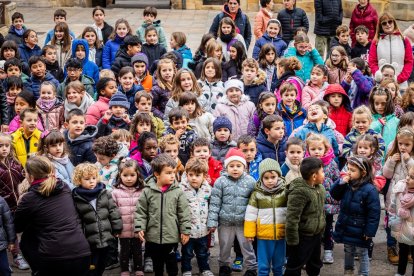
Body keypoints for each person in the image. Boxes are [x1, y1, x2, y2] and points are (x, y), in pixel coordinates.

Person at [14, 156, 91, 275]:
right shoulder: (64, 187)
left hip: (54, 257)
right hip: (81, 251)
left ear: (30, 176)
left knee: (27, 238)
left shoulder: (29, 198)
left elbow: (18, 226)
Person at [135, 154, 191, 276]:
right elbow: (141, 211)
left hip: (171, 236)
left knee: (172, 264)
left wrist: (185, 230)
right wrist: (140, 227)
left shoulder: (178, 191)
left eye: (174, 172)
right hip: (152, 236)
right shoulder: (147, 191)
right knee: (157, 265)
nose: (172, 176)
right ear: (157, 174)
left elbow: (184, 213)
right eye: (168, 173)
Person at [207, 148, 257, 276]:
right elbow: (215, 203)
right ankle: (224, 266)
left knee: (247, 246)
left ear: (244, 167)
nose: (235, 169)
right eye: (232, 166)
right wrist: (212, 222)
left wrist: (255, 221)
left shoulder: (250, 182)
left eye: (238, 166)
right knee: (224, 246)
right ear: (226, 167)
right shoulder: (220, 181)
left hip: (243, 222)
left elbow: (254, 202)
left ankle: (251, 268)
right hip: (225, 222)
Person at [331, 156, 381, 276]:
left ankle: (363, 273)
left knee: (362, 252)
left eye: (352, 170)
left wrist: (369, 232)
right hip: (346, 225)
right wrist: (341, 182)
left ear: (363, 173)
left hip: (361, 229)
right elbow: (335, 195)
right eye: (348, 169)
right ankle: (348, 270)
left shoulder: (370, 190)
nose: (349, 172)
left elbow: (374, 213)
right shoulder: (347, 184)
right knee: (348, 249)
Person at [72, 162, 123, 276]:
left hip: (105, 236)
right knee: (91, 266)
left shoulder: (104, 192)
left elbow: (113, 211)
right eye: (87, 179)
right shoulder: (76, 197)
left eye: (94, 178)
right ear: (79, 180)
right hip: (89, 240)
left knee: (102, 263)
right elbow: (77, 219)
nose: (91, 181)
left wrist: (117, 228)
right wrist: (79, 237)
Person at [244, 158, 287, 276]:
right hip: (263, 235)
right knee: (263, 265)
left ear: (278, 175)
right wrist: (249, 233)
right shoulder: (257, 194)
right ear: (261, 178)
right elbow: (250, 214)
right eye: (266, 178)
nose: (270, 181)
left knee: (279, 264)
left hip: (281, 234)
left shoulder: (285, 192)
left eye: (273, 177)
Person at [285, 157, 325, 276]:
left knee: (315, 263)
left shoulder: (320, 188)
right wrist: (292, 240)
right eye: (322, 172)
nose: (324, 174)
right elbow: (292, 218)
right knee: (295, 264)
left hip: (316, 234)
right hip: (303, 236)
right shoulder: (299, 192)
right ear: (314, 176)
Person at [180, 158, 214, 276]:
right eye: (191, 175)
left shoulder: (208, 190)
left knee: (202, 253)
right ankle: (186, 270)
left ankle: (205, 269)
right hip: (188, 231)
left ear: (204, 176)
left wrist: (212, 223)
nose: (193, 178)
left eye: (197, 175)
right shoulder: (181, 190)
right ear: (186, 174)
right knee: (187, 253)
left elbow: (212, 208)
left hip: (203, 230)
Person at [111, 158, 145, 276]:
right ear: (120, 175)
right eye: (125, 175)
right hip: (123, 229)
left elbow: (146, 209)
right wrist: (115, 228)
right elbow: (113, 212)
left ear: (137, 174)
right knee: (124, 251)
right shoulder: (115, 192)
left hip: (138, 229)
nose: (129, 178)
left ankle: (139, 268)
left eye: (132, 175)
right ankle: (124, 269)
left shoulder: (142, 191)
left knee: (138, 251)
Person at [369, 12, 414, 90]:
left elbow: (409, 62)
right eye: (384, 23)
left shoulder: (404, 40)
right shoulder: (376, 42)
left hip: (400, 85)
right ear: (380, 26)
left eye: (390, 21)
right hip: (381, 84)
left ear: (394, 23)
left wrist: (399, 79)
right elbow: (372, 61)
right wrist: (378, 75)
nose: (388, 24)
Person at [388, 165, 414, 276]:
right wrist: (392, 218)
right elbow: (393, 205)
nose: (407, 178)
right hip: (402, 227)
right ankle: (400, 272)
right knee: (402, 250)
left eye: (412, 177)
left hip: (412, 229)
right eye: (408, 175)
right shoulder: (401, 188)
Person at [0, 195, 16, 276]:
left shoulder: (1, 200)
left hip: (0, 246)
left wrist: (11, 241)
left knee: (4, 270)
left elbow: (8, 223)